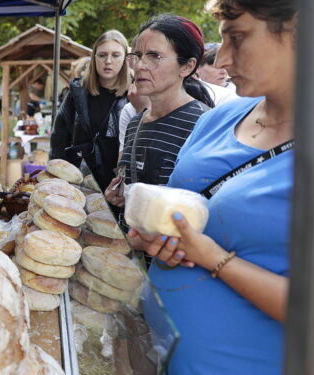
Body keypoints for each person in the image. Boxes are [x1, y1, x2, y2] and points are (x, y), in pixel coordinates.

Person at [131, 1, 296, 373]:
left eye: (237, 38)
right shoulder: (220, 118)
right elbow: (180, 213)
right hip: (153, 351)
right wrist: (155, 236)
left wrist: (213, 258)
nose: (221, 59)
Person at [105, 15, 214, 208]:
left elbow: (206, 204)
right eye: (137, 55)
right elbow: (131, 186)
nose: (139, 66)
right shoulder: (135, 122)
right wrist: (121, 196)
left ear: (187, 66)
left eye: (155, 56)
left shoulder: (203, 125)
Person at [51, 30, 130, 191]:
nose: (108, 61)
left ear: (125, 59)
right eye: (102, 55)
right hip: (80, 181)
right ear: (94, 57)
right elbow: (59, 136)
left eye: (115, 55)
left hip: (119, 184)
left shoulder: (135, 92)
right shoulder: (77, 91)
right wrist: (57, 178)